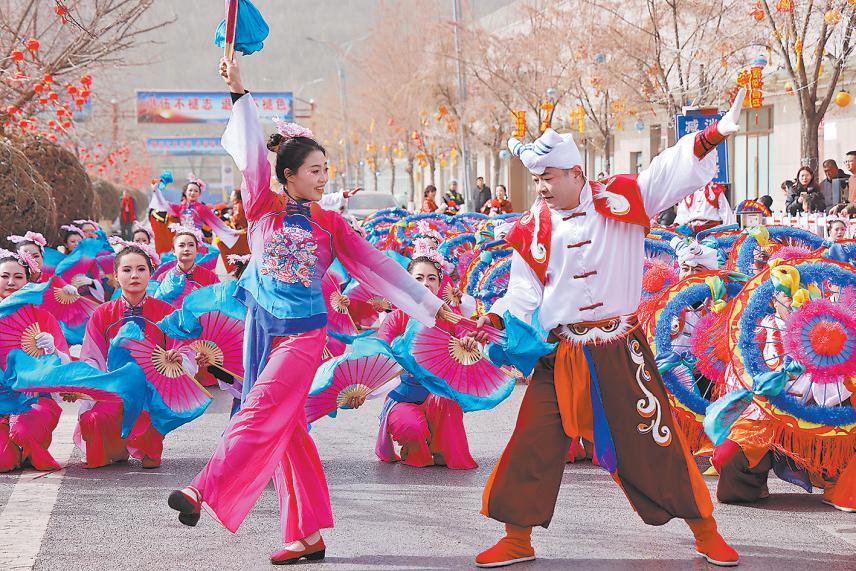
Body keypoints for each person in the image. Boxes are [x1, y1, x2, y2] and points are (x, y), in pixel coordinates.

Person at [167, 55, 445, 566]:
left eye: (326, 171)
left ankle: (202, 489)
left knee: (256, 412)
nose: (323, 178)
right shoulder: (261, 208)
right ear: (288, 175)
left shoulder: (330, 224)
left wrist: (435, 309)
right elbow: (251, 155)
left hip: (302, 336)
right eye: (315, 171)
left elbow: (379, 266)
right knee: (289, 432)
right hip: (260, 332)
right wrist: (239, 91)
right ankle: (307, 535)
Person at [466, 89, 747, 568]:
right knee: (532, 442)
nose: (541, 188)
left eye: (548, 178)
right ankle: (517, 539)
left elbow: (665, 171)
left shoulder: (623, 199)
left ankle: (705, 530)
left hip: (620, 349)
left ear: (575, 173)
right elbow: (522, 293)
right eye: (536, 180)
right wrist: (492, 318)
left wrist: (713, 134)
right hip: (561, 352)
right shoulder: (532, 227)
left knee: (654, 441)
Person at [74, 245, 185, 469]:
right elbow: (91, 357)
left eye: (141, 269)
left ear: (150, 273)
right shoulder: (102, 313)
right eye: (127, 270)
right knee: (95, 421)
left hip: (152, 390)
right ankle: (117, 446)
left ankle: (146, 445)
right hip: (113, 388)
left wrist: (178, 356)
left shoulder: (166, 312)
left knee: (149, 437)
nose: (134, 275)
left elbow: (182, 348)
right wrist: (89, 384)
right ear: (115, 276)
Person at [369, 247, 477, 470]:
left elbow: (465, 334)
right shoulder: (395, 318)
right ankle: (416, 444)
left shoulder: (450, 317)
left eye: (431, 278)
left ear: (439, 284)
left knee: (445, 398)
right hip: (403, 397)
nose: (425, 284)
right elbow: (379, 355)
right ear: (408, 282)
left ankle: (440, 447)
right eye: (418, 278)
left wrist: (469, 342)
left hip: (439, 396)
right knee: (411, 428)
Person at [0, 251, 69, 473]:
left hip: (35, 402)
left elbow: (66, 367)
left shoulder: (43, 318)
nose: (11, 282)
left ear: (28, 280)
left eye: (18, 277)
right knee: (3, 462)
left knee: (24, 428)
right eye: (4, 276)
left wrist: (52, 350)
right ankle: (14, 447)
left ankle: (25, 444)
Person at [155, 224, 219, 309]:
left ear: (197, 250)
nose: (186, 249)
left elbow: (218, 303)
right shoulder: (163, 277)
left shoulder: (210, 277)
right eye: (181, 245)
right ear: (173, 251)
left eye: (191, 245)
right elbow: (158, 306)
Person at [830, 151, 856, 216]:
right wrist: (839, 207)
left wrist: (848, 209)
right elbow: (851, 202)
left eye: (849, 161)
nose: (847, 164)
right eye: (845, 162)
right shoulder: (851, 179)